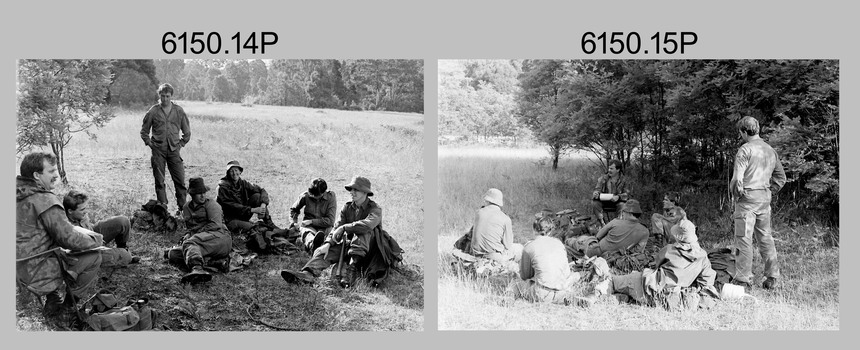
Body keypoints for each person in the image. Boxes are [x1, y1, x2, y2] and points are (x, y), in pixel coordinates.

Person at [16, 152, 104, 323]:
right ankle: (68, 309)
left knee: (52, 247)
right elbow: (69, 239)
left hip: (15, 265)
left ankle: (52, 299)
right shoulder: (45, 200)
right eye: (51, 171)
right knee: (94, 256)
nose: (56, 175)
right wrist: (95, 241)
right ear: (36, 175)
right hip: (33, 270)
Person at [578, 210, 719, 311]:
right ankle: (623, 298)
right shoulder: (703, 257)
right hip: (672, 298)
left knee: (613, 280)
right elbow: (706, 282)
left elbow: (656, 265)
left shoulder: (669, 249)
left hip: (650, 290)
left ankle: (592, 296)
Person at [280, 176, 381, 288]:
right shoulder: (347, 207)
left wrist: (345, 228)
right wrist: (328, 243)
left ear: (365, 192)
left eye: (355, 190)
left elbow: (367, 225)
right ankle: (307, 274)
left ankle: (351, 270)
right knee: (326, 251)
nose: (351, 192)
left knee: (363, 231)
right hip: (350, 247)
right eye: (351, 189)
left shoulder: (375, 209)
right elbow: (337, 226)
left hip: (369, 251)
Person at [729, 116, 786, 291]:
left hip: (747, 200)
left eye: (741, 133)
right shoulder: (769, 150)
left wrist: (736, 195)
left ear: (744, 132)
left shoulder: (745, 150)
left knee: (743, 240)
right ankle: (772, 277)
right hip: (764, 200)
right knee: (765, 238)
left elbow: (737, 180)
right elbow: (781, 178)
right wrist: (768, 191)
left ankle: (743, 280)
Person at [140, 83, 191, 217]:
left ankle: (182, 210)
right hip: (158, 151)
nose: (165, 99)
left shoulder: (179, 111)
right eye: (162, 96)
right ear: (159, 96)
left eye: (167, 96)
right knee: (160, 182)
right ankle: (163, 211)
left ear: (171, 96)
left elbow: (187, 133)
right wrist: (151, 145)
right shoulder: (153, 111)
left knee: (180, 181)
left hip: (174, 150)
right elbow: (144, 132)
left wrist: (180, 145)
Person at [63, 190, 138, 267]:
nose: (86, 211)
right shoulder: (64, 226)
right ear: (70, 211)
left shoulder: (79, 213)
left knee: (123, 221)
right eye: (82, 209)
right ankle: (123, 255)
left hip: (93, 233)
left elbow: (90, 228)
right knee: (125, 256)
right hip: (88, 250)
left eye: (86, 208)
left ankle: (122, 247)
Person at [179, 177, 232, 284]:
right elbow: (190, 228)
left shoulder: (212, 205)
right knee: (173, 254)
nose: (203, 195)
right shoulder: (186, 208)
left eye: (204, 192)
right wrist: (189, 234)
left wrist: (193, 235)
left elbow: (215, 225)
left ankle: (197, 268)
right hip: (203, 240)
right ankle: (216, 262)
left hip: (220, 237)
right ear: (192, 194)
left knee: (190, 243)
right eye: (199, 193)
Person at [508, 235, 578, 303]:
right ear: (550, 230)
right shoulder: (559, 244)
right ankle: (571, 299)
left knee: (515, 277)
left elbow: (524, 276)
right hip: (562, 292)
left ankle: (509, 297)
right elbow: (566, 274)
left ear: (534, 230)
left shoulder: (529, 246)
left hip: (541, 294)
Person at [469, 188, 523, 270]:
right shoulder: (505, 218)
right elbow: (508, 245)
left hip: (475, 254)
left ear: (487, 201)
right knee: (520, 248)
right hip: (494, 257)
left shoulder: (479, 213)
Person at [217, 160, 277, 233]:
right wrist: (252, 210)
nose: (234, 173)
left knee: (257, 196)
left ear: (240, 172)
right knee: (255, 229)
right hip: (230, 219)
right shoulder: (223, 187)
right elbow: (231, 206)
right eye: (231, 171)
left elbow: (261, 190)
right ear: (228, 173)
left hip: (242, 214)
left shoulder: (243, 183)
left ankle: (268, 222)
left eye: (236, 170)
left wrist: (263, 204)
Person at [289, 178, 337, 253]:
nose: (314, 197)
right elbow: (294, 210)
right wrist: (294, 223)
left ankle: (322, 244)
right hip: (309, 228)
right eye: (312, 195)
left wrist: (311, 221)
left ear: (323, 192)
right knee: (307, 233)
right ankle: (313, 245)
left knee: (330, 234)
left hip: (325, 227)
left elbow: (330, 221)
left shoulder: (330, 197)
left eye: (317, 195)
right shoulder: (305, 196)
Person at [591, 160, 631, 226]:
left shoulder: (624, 180)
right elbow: (597, 189)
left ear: (618, 170)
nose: (609, 170)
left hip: (618, 201)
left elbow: (627, 194)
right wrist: (596, 193)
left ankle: (618, 225)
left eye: (611, 168)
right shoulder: (603, 179)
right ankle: (602, 224)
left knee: (622, 205)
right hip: (604, 201)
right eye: (609, 168)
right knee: (595, 203)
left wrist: (618, 196)